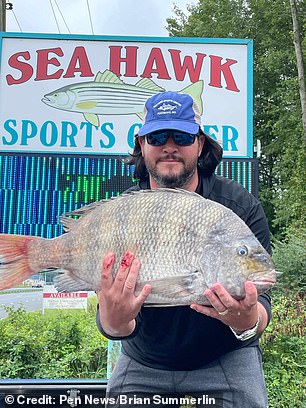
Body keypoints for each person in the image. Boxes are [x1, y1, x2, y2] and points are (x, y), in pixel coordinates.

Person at [96, 91, 272, 408]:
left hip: (225, 356)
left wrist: (246, 322)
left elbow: (262, 311)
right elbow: (110, 322)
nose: (170, 146)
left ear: (200, 144)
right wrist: (114, 322)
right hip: (143, 362)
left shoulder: (239, 207)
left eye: (181, 136)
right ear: (141, 145)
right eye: (158, 136)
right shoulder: (122, 214)